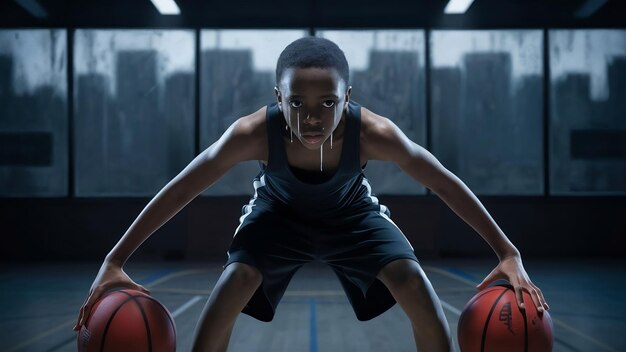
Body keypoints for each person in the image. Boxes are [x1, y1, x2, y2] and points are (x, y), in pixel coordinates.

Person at [73, 36, 549, 352]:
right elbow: (182, 189)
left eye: (328, 103)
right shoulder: (252, 133)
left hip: (351, 215)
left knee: (412, 281)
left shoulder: (376, 133)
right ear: (278, 98)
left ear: (348, 97)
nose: (313, 118)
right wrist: (115, 259)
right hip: (276, 215)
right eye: (296, 103)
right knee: (231, 286)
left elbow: (443, 181)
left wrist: (508, 252)